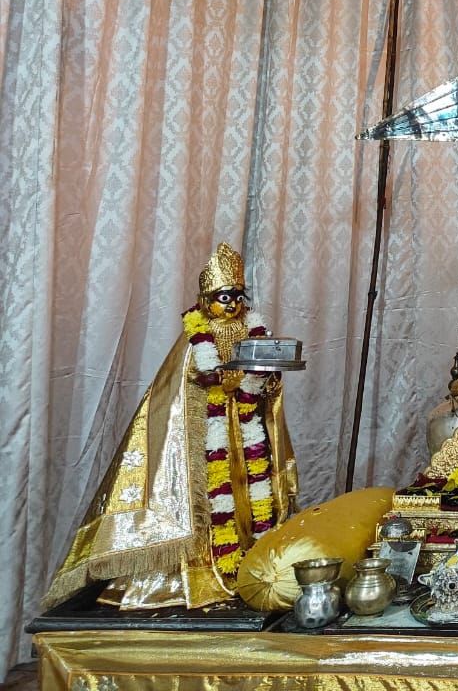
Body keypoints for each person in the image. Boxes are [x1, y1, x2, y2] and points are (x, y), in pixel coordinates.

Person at [44, 243, 298, 609]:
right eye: (223, 296)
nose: (231, 304)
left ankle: (246, 563)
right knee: (211, 506)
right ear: (206, 298)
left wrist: (266, 378)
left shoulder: (253, 330)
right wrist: (220, 378)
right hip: (205, 435)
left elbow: (263, 387)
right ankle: (200, 571)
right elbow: (187, 381)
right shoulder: (196, 337)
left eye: (238, 296)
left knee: (248, 499)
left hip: (244, 434)